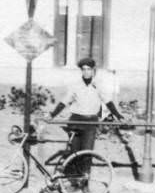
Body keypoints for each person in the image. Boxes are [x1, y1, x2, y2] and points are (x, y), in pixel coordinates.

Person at [44, 57, 125, 185]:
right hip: (76, 121)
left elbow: (108, 102)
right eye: (84, 69)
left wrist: (118, 116)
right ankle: (74, 183)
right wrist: (52, 115)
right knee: (74, 153)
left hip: (91, 123)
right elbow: (64, 102)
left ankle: (85, 184)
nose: (86, 72)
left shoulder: (98, 86)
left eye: (89, 69)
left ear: (94, 70)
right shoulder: (75, 86)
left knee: (87, 154)